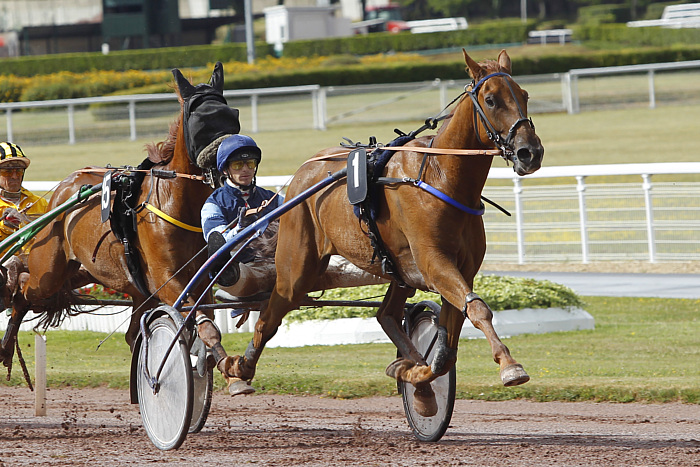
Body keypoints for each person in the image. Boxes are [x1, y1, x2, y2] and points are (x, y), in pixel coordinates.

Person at [201, 134, 284, 295]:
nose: (246, 169)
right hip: (242, 269)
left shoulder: (272, 198)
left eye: (250, 163)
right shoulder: (213, 204)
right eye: (238, 165)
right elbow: (216, 241)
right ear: (225, 169)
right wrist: (241, 228)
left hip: (278, 264)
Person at [0, 142, 49, 295]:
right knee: (13, 263)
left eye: (19, 170)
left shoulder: (40, 202)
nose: (14, 176)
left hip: (37, 266)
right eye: (7, 171)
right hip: (4, 268)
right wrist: (5, 227)